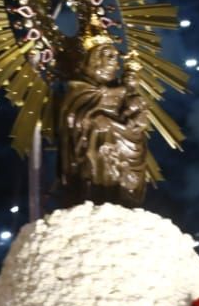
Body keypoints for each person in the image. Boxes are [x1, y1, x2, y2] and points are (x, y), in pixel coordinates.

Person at [58, 33, 149, 207]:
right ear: (95, 59)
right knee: (102, 132)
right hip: (95, 137)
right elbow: (73, 115)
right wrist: (94, 119)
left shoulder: (121, 89)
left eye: (116, 57)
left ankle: (125, 194)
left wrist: (131, 102)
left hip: (125, 135)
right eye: (110, 56)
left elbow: (137, 109)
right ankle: (98, 192)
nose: (116, 62)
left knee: (132, 141)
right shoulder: (80, 86)